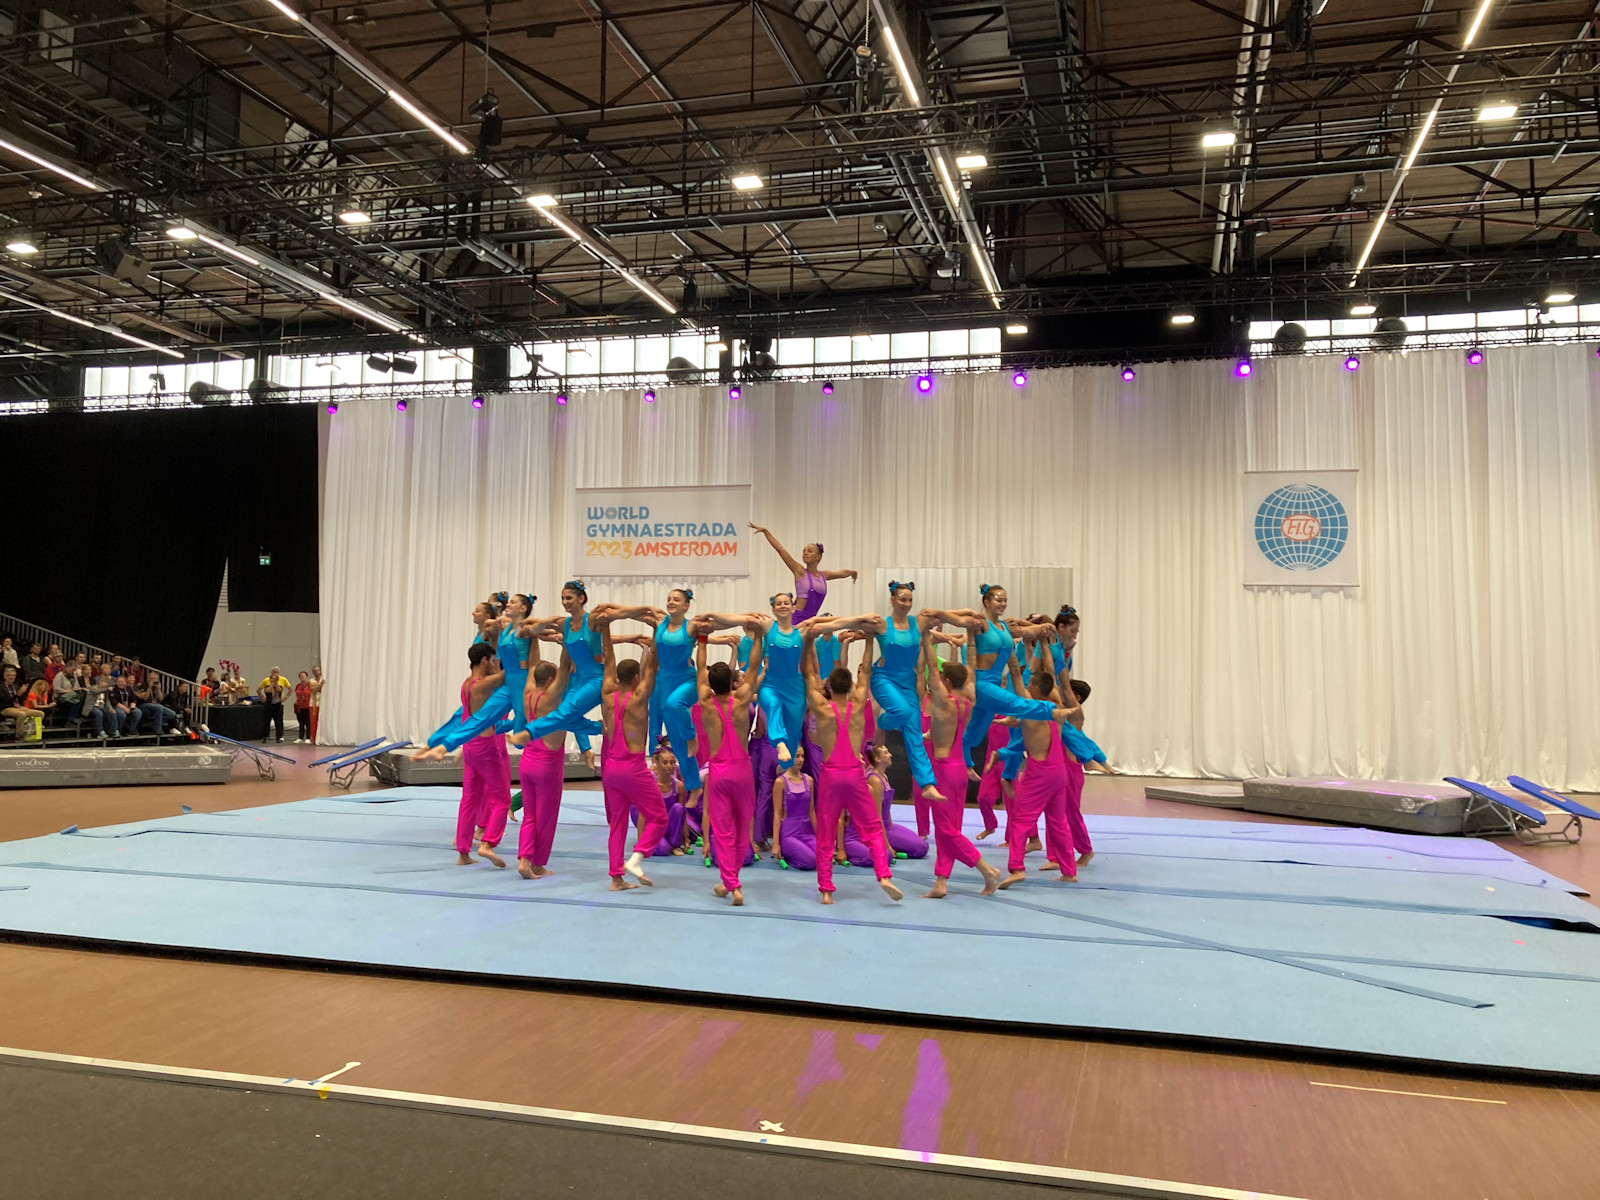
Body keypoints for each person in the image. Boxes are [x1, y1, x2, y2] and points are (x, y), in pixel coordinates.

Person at [801, 616, 900, 904]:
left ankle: (827, 890)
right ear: (851, 687)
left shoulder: (822, 707)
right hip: (856, 774)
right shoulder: (858, 707)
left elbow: (809, 674)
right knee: (870, 827)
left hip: (831, 774)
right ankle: (882, 874)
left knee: (827, 830)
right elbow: (866, 671)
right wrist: (869, 639)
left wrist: (808, 643)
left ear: (829, 686)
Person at [923, 587, 1056, 764]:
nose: (1003, 603)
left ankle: (953, 760)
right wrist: (940, 612)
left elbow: (1026, 638)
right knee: (1017, 705)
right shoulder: (980, 622)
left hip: (992, 684)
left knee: (974, 735)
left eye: (1005, 600)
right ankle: (1054, 710)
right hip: (979, 683)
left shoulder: (1005, 627)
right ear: (987, 602)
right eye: (999, 600)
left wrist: (1043, 626)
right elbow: (955, 619)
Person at [413, 642, 513, 868]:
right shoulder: (484, 684)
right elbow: (512, 673)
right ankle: (488, 842)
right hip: (485, 746)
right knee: (502, 799)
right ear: (485, 661)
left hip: (470, 747)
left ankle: (463, 852)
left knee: (469, 799)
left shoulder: (466, 684)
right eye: (492, 660)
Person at [921, 627, 1002, 896]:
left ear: (944, 680)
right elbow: (970, 667)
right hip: (960, 769)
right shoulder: (968, 700)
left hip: (943, 770)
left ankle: (986, 870)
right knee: (949, 829)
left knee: (946, 830)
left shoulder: (943, 702)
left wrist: (925, 637)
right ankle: (941, 881)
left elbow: (931, 667)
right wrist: (969, 635)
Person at [692, 617, 765, 905]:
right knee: (740, 826)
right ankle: (730, 882)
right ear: (733, 682)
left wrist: (702, 638)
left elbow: (700, 668)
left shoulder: (706, 703)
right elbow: (755, 667)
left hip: (719, 771)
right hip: (743, 769)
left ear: (711, 684)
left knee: (722, 830)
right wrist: (759, 636)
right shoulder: (744, 698)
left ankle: (732, 884)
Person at [596, 620, 665, 890]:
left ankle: (616, 878)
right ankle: (637, 856)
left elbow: (609, 656)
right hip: (633, 768)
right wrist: (658, 633)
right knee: (659, 817)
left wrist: (605, 629)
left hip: (610, 767)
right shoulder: (639, 698)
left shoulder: (606, 694)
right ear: (636, 678)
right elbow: (652, 668)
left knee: (617, 824)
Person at [998, 661, 1077, 890]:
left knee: (1021, 820)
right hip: (1059, 770)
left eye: (1029, 683)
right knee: (1058, 822)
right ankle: (1069, 871)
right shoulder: (1055, 707)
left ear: (1032, 687)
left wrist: (1011, 648)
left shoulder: (1029, 707)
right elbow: (1049, 679)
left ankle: (1016, 869)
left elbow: (1014, 673)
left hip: (1039, 771)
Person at [871, 582, 946, 807]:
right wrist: (819, 623)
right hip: (884, 678)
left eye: (909, 600)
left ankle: (927, 784)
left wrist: (965, 621)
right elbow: (848, 622)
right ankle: (883, 722)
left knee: (914, 733)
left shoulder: (919, 622)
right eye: (902, 599)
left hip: (907, 681)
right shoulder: (882, 624)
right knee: (902, 711)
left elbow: (949, 619)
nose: (906, 603)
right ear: (893, 599)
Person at [515, 649, 575, 880]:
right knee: (546, 817)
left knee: (530, 815)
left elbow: (532, 664)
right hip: (547, 767)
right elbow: (564, 671)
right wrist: (568, 639)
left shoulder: (527, 692)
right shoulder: (552, 698)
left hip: (527, 762)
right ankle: (538, 863)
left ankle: (524, 859)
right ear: (551, 680)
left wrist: (534, 636)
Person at [747, 524, 858, 622]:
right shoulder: (799, 571)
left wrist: (853, 572)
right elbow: (781, 550)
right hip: (797, 618)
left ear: (818, 557)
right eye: (803, 551)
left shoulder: (824, 575)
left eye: (809, 551)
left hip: (812, 620)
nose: (805, 553)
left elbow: (841, 573)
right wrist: (766, 532)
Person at [864, 740, 927, 858]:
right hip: (880, 828)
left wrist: (892, 828)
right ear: (878, 759)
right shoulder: (875, 781)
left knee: (922, 844)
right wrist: (886, 845)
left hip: (888, 825)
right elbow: (876, 817)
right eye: (886, 753)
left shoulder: (884, 776)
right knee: (921, 849)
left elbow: (885, 810)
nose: (890, 755)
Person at [771, 745, 816, 869]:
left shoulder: (809, 780)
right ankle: (788, 855)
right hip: (789, 835)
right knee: (810, 862)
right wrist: (775, 843)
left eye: (803, 756)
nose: (801, 760)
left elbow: (811, 811)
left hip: (807, 833)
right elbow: (777, 814)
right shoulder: (780, 782)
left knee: (824, 858)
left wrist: (821, 837)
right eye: (797, 756)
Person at [1, 665, 42, 742]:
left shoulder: (16, 686)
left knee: (40, 713)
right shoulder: (1, 687)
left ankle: (31, 734)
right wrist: (18, 694)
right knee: (21, 714)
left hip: (17, 707)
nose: (12, 677)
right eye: (9, 675)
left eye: (14, 675)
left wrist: (24, 693)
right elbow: (4, 701)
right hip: (4, 708)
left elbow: (19, 701)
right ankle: (18, 736)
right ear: (4, 676)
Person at [81, 671, 123, 739]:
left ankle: (115, 730)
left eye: (107, 683)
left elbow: (107, 701)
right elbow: (96, 692)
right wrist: (107, 689)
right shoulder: (93, 688)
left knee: (112, 712)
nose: (106, 684)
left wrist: (110, 708)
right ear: (100, 682)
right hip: (92, 706)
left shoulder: (105, 690)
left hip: (101, 706)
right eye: (105, 682)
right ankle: (100, 732)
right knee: (99, 713)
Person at [257, 666, 293, 742]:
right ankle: (265, 736)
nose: (275, 674)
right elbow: (264, 690)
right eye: (274, 672)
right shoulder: (266, 681)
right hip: (268, 704)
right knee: (266, 721)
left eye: (277, 672)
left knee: (278, 721)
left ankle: (279, 736)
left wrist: (285, 697)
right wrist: (263, 697)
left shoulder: (282, 680)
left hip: (278, 703)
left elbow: (281, 690)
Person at [293, 671, 313, 743]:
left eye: (304, 676)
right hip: (299, 706)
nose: (302, 677)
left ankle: (308, 737)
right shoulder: (298, 686)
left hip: (307, 706)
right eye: (301, 676)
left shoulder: (310, 685)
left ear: (306, 677)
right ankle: (300, 737)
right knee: (301, 723)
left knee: (308, 723)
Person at [308, 665, 325, 743]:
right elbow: (313, 691)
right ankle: (314, 739)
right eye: (314, 671)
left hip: (323, 703)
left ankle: (323, 738)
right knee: (314, 722)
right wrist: (320, 686)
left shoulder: (323, 679)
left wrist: (318, 688)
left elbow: (323, 690)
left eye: (317, 670)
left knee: (323, 721)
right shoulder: (311, 681)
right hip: (314, 704)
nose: (316, 672)